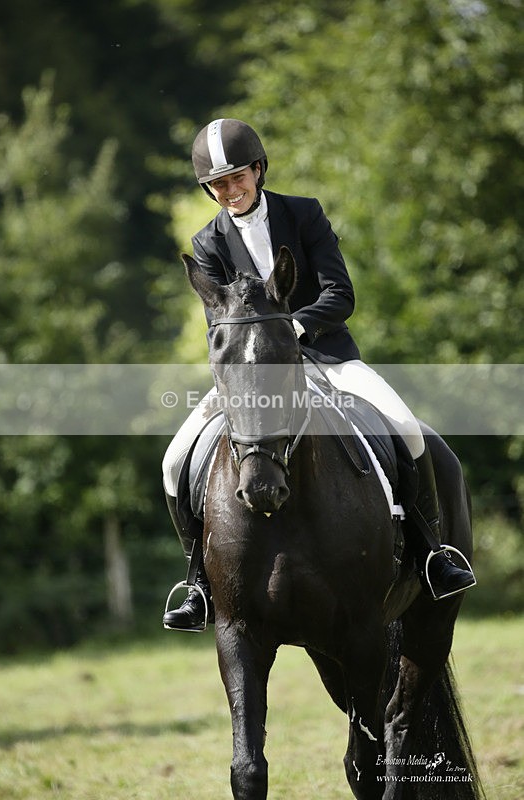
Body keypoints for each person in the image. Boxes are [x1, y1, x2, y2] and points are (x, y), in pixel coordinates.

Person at [162, 118, 475, 630]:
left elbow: (340, 295)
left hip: (328, 356)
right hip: (252, 376)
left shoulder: (303, 214)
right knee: (175, 462)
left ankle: (429, 552)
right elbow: (219, 322)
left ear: (258, 170)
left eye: (237, 177)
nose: (229, 190)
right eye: (218, 184)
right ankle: (197, 583)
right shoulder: (207, 243)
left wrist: (295, 332)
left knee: (407, 429)